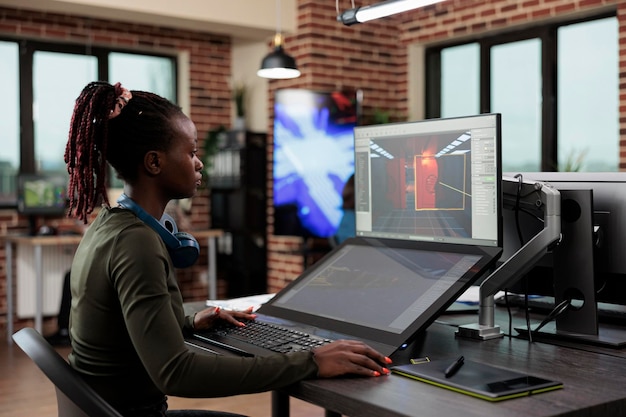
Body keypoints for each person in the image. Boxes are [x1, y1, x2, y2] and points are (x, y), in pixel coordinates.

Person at [64, 81, 392, 417]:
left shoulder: (107, 225)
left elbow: (123, 329)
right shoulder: (137, 243)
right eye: (191, 152)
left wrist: (190, 322)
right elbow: (176, 373)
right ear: (154, 163)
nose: (199, 163)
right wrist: (311, 361)